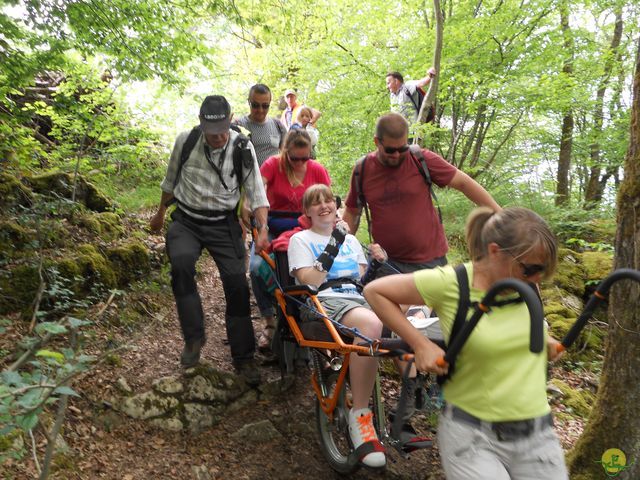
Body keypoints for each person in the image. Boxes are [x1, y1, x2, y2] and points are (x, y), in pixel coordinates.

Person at [364, 207, 568, 480]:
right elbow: (375, 291)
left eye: (543, 271)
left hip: (538, 436)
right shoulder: (452, 283)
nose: (537, 278)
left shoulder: (525, 281)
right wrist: (420, 343)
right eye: (531, 269)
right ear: (495, 251)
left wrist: (545, 341)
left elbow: (515, 327)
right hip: (473, 437)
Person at [342, 112, 500, 418]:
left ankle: (452, 389)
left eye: (403, 148)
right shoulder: (363, 170)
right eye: (391, 150)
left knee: (452, 327)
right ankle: (414, 390)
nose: (398, 155)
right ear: (377, 143)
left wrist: (498, 213)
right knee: (393, 329)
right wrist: (343, 244)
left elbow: (464, 183)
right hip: (390, 265)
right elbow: (352, 211)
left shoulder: (420, 160)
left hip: (431, 262)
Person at [150, 95, 269, 386]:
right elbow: (170, 180)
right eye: (211, 132)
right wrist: (161, 212)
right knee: (180, 265)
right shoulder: (186, 141)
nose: (217, 137)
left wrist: (262, 228)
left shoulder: (242, 146)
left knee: (237, 284)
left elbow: (256, 191)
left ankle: (243, 358)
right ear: (202, 125)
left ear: (230, 122)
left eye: (222, 131)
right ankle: (194, 338)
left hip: (223, 223)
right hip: (187, 220)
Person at [287, 184, 386, 469]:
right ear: (307, 211)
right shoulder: (300, 240)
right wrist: (334, 243)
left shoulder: (353, 242)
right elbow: (310, 282)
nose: (324, 206)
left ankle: (412, 405)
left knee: (414, 314)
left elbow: (364, 283)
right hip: (323, 302)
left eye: (328, 200)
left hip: (356, 298)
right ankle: (360, 416)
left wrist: (378, 265)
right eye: (315, 203)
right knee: (371, 324)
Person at [249, 129, 331, 352]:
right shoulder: (273, 165)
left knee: (312, 269)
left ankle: (311, 316)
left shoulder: (317, 169)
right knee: (257, 268)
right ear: (285, 153)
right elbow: (255, 192)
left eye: (306, 158)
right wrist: (260, 227)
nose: (300, 163)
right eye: (295, 158)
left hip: (306, 227)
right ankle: (269, 320)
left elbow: (328, 201)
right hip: (274, 224)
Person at [234, 83, 286, 166]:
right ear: (249, 102)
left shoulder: (278, 126)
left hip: (274, 177)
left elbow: (286, 155)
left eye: (265, 106)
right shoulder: (238, 126)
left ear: (269, 103)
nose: (260, 110)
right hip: (248, 178)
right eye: (255, 105)